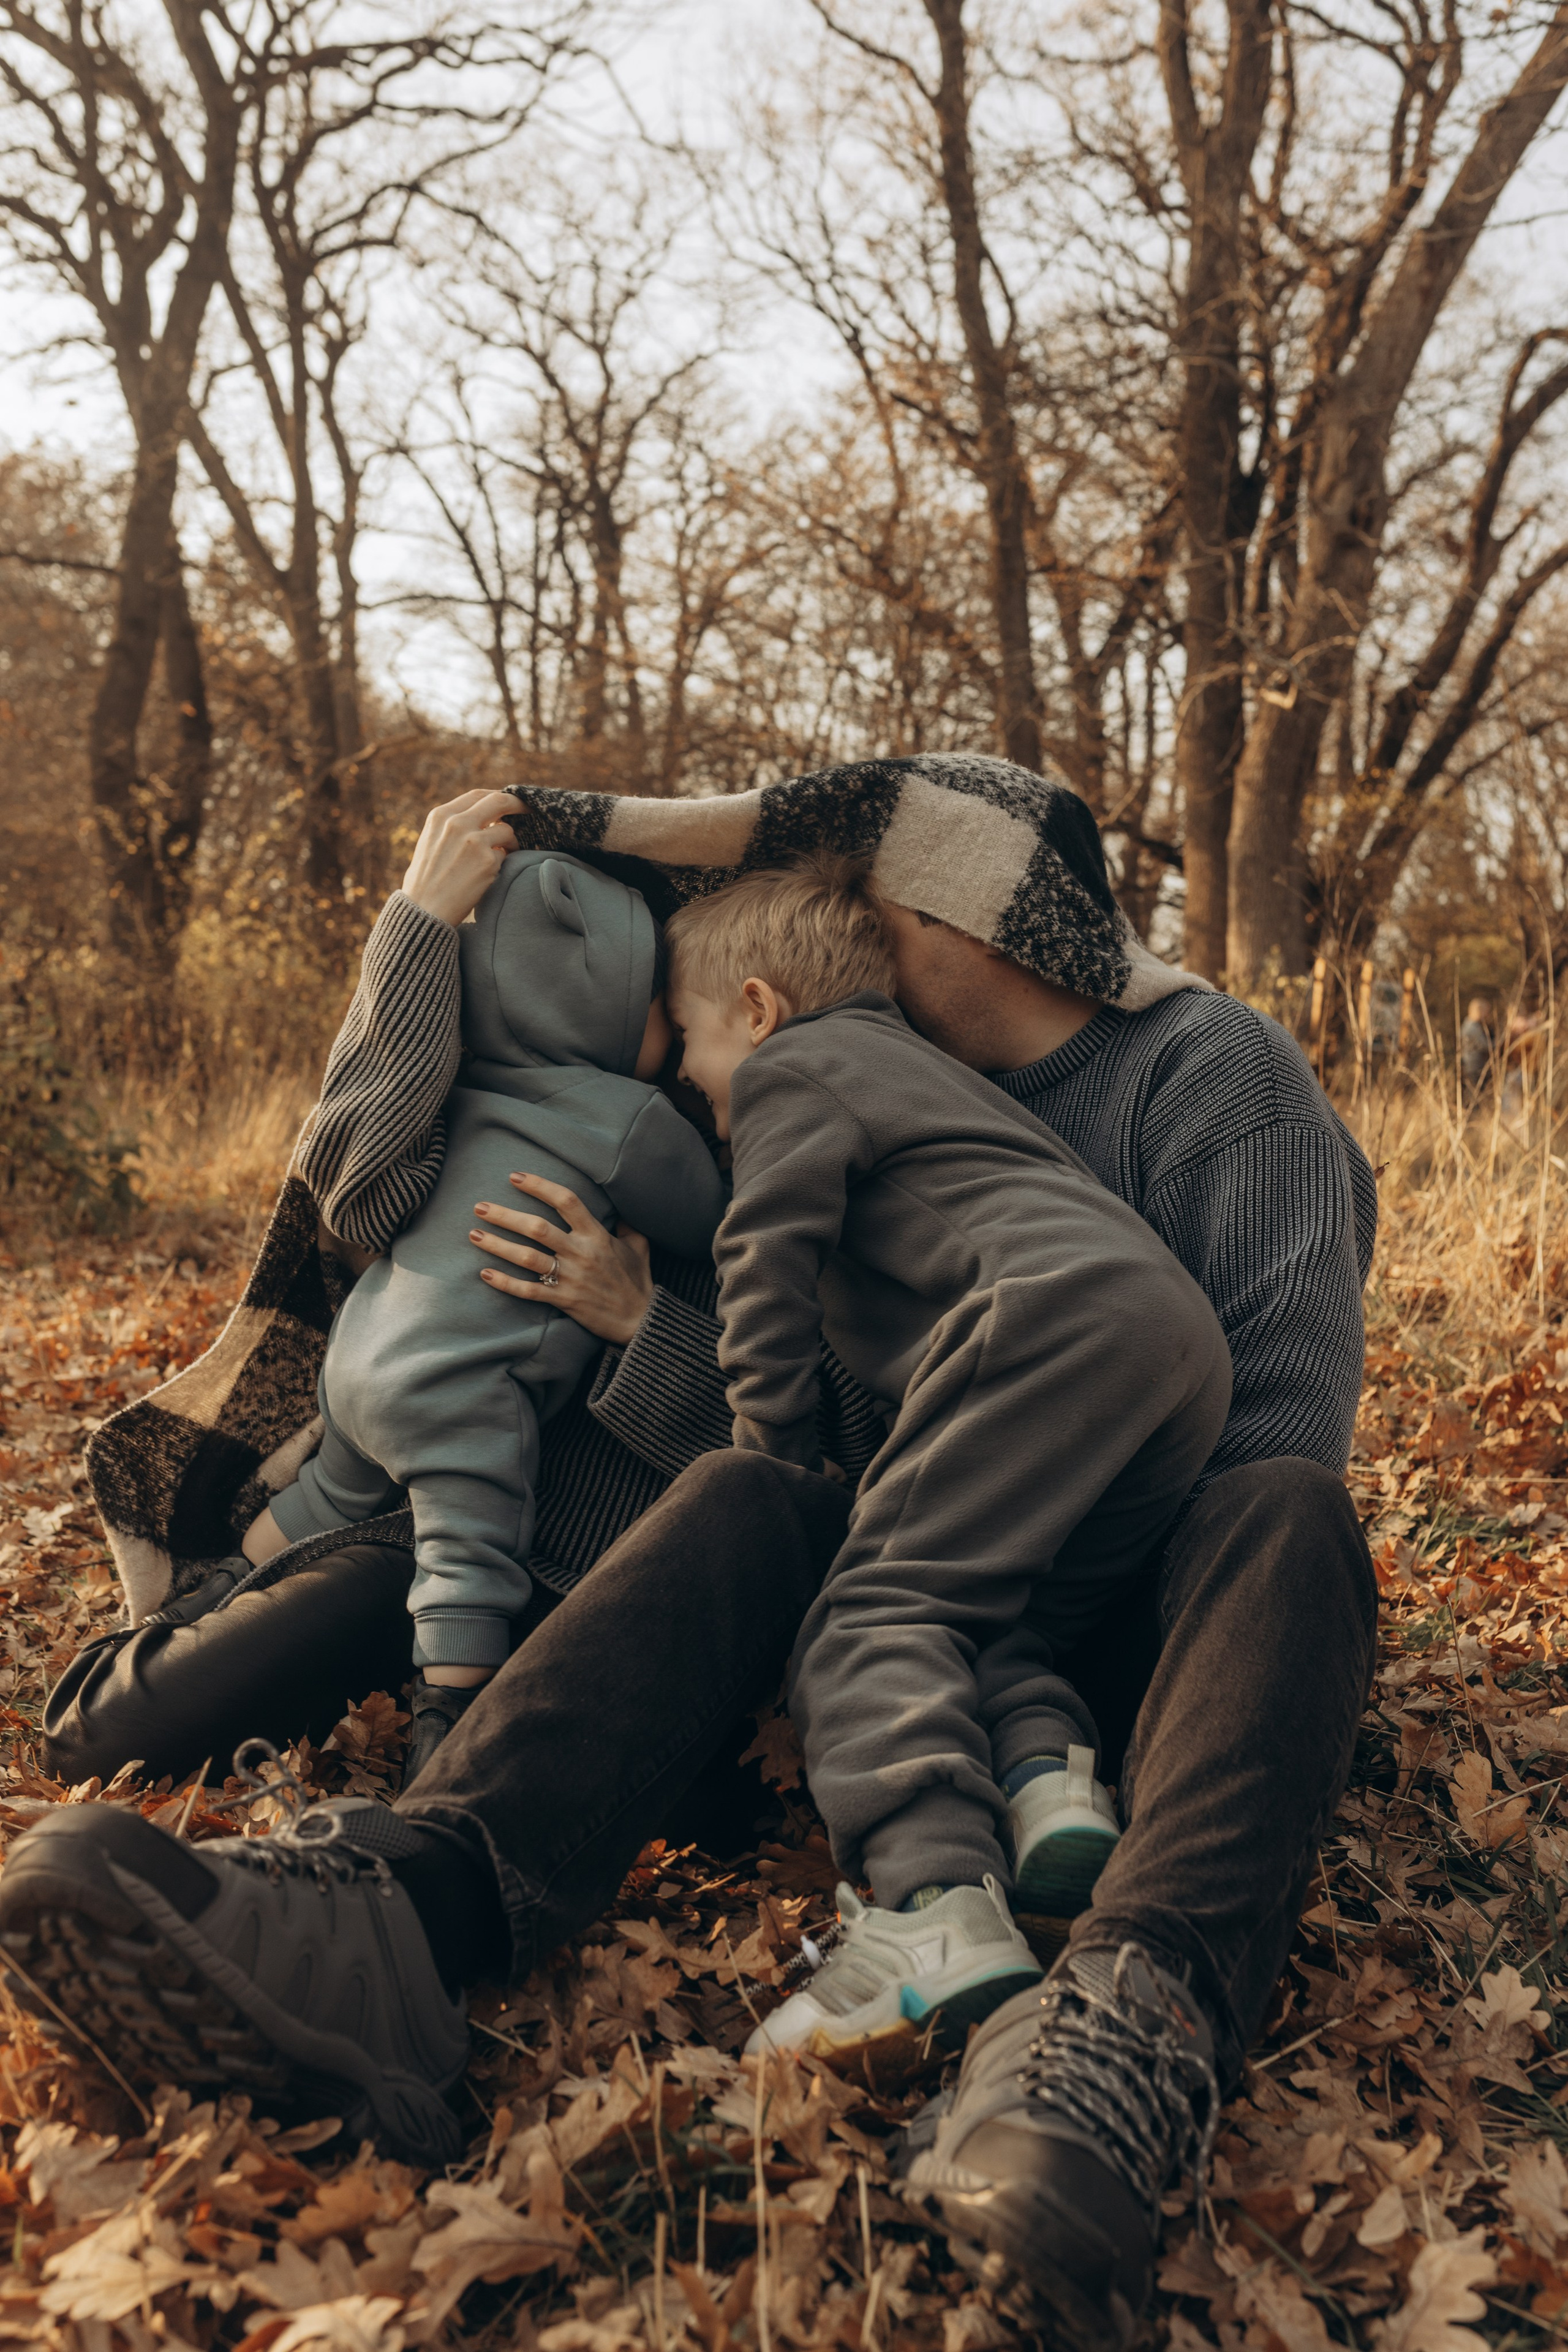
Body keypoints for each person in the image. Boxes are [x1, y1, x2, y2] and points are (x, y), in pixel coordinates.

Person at [5, 756, 1378, 2352]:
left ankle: (1122, 2033)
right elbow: (422, 1185)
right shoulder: (825, 1056)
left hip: (1135, 1623)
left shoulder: (1211, 1074)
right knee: (752, 1486)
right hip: (923, 1596)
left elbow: (1270, 1433)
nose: (824, 909)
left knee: (1290, 1514)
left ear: (967, 908)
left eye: (866, 880)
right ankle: (402, 1921)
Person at [664, 854, 1229, 2054]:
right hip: (1168, 1345)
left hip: (1043, 1317)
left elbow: (760, 1266)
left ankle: (927, 1905)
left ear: (756, 1011)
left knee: (869, 1614)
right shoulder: (935, 1079)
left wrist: (766, 1461)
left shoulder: (794, 1070)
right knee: (983, 1607)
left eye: (691, 1047)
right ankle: (1045, 1782)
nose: (693, 1086)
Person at [239, 849, 724, 1775]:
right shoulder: (628, 1117)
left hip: (360, 1357)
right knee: (470, 1556)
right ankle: (447, 1729)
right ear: (613, 1008)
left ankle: (218, 1594)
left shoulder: (457, 1087)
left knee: (322, 1498)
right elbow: (710, 1220)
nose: (670, 1023)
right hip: (461, 1392)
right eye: (659, 1003)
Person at [1459, 996, 1495, 1101]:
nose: (1487, 1015)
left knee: (1473, 1095)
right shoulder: (1473, 1028)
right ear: (1480, 1011)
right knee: (1474, 1097)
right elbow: (1487, 1046)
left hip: (1471, 1066)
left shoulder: (1468, 1025)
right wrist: (1504, 1039)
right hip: (1474, 1067)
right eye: (1486, 1012)